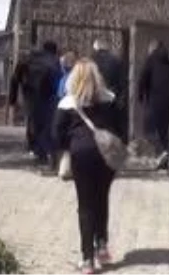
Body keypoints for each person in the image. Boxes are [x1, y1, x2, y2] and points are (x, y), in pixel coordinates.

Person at [54, 59, 124, 274]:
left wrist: (69, 147)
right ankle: (102, 246)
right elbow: (122, 129)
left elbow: (56, 136)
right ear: (98, 77)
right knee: (101, 198)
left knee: (86, 205)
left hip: (81, 154)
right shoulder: (110, 99)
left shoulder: (67, 104)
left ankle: (87, 259)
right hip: (106, 155)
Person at [9, 40, 63, 164]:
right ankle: (42, 152)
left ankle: (33, 148)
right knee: (45, 123)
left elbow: (14, 78)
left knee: (32, 120)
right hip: (47, 95)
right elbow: (58, 79)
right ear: (54, 50)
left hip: (29, 94)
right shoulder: (54, 60)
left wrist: (13, 99)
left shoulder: (27, 58)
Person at [137, 40, 169, 169]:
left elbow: (143, 79)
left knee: (148, 130)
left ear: (152, 48)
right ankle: (165, 161)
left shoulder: (150, 60)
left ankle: (162, 153)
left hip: (154, 100)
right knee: (163, 131)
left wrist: (140, 96)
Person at [91, 39, 128, 138]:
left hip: (94, 97)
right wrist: (121, 97)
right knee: (111, 126)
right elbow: (122, 81)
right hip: (112, 96)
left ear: (96, 47)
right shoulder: (116, 60)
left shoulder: (91, 60)